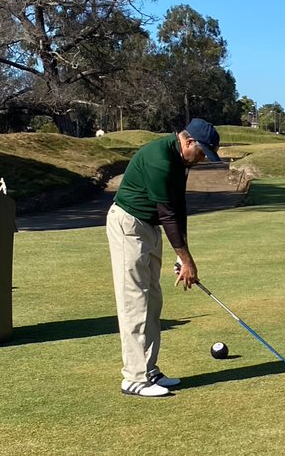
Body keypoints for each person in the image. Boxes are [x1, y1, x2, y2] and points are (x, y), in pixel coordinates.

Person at [106, 118, 222, 397]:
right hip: (128, 226)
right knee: (135, 301)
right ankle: (133, 378)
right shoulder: (160, 158)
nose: (203, 158)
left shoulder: (181, 161)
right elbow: (168, 214)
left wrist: (184, 257)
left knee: (153, 301)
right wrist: (187, 260)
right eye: (202, 152)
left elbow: (179, 209)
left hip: (148, 228)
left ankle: (148, 369)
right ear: (189, 141)